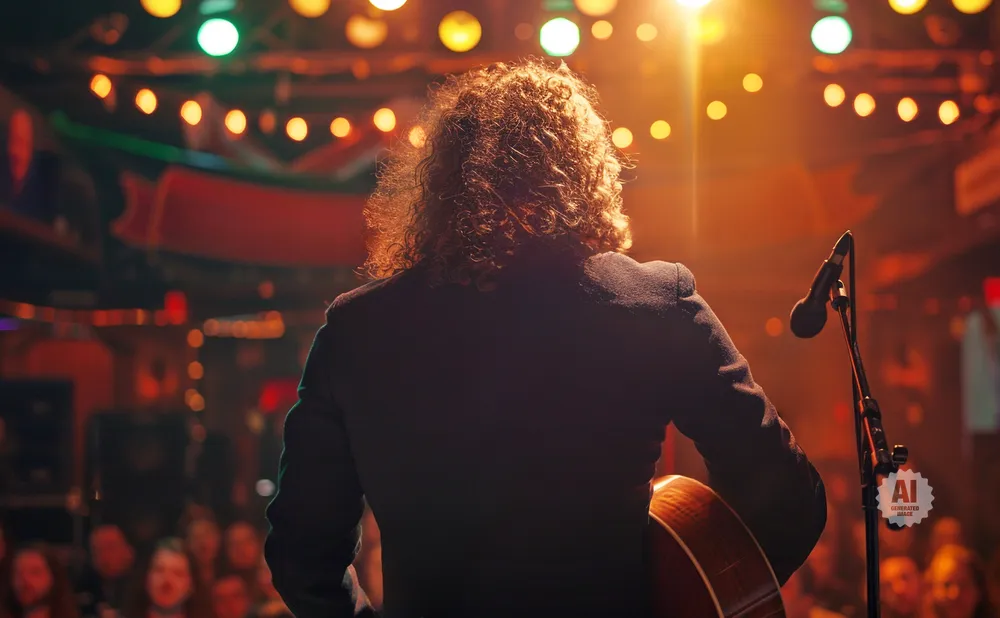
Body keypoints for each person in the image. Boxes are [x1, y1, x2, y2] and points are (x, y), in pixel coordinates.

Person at [264, 59, 827, 618]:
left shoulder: (359, 329)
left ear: (439, 183)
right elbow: (789, 500)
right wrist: (710, 592)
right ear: (583, 172)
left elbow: (301, 555)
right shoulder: (656, 303)